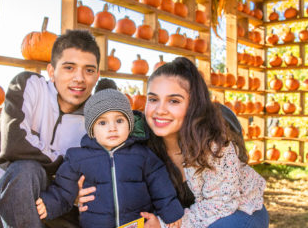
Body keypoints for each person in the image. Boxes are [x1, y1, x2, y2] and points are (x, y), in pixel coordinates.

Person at [78, 57, 269, 228]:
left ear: (193, 105)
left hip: (235, 212)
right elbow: (109, 168)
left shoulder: (213, 142)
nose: (160, 110)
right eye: (153, 99)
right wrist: (79, 194)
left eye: (174, 101)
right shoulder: (137, 140)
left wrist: (162, 225)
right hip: (179, 220)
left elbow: (221, 204)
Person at [0, 29, 101, 228]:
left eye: (89, 70)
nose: (79, 78)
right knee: (27, 169)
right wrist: (68, 168)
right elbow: (14, 144)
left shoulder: (97, 120)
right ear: (51, 71)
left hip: (56, 206)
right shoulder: (28, 85)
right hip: (0, 202)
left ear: (97, 75)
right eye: (69, 68)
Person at [35, 85, 184, 228]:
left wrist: (171, 211)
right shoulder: (78, 158)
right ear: (92, 129)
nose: (112, 128)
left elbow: (160, 185)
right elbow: (64, 189)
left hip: (136, 224)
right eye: (102, 123)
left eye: (119, 120)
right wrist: (50, 203)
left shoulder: (142, 155)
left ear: (129, 124)